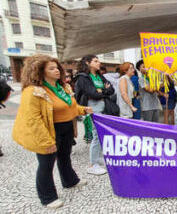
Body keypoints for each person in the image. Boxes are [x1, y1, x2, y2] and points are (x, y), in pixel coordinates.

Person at [12, 54, 93, 209]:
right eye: (51, 68)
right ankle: (47, 197)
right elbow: (33, 119)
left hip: (67, 127)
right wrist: (46, 141)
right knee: (46, 164)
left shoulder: (63, 87)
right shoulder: (33, 91)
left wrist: (83, 110)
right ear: (40, 71)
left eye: (57, 67)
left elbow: (70, 106)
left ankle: (70, 181)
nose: (56, 70)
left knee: (65, 157)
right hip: (49, 130)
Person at [75, 54, 114, 175]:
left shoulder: (99, 76)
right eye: (96, 61)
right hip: (92, 107)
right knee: (96, 135)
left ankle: (97, 158)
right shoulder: (83, 77)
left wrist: (101, 91)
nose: (99, 63)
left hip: (104, 106)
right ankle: (92, 164)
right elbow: (92, 93)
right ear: (87, 63)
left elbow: (111, 90)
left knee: (102, 133)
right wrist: (103, 91)